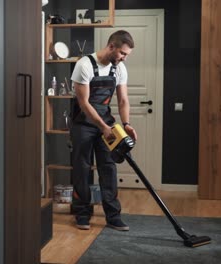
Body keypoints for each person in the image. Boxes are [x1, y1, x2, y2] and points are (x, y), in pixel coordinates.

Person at [70, 30, 137, 231]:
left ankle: (113, 216)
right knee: (82, 167)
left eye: (126, 55)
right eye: (122, 53)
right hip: (83, 123)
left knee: (108, 166)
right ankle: (82, 213)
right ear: (111, 47)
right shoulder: (84, 65)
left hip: (106, 122)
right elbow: (83, 103)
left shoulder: (119, 68)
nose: (124, 58)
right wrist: (103, 128)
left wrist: (125, 125)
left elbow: (123, 100)